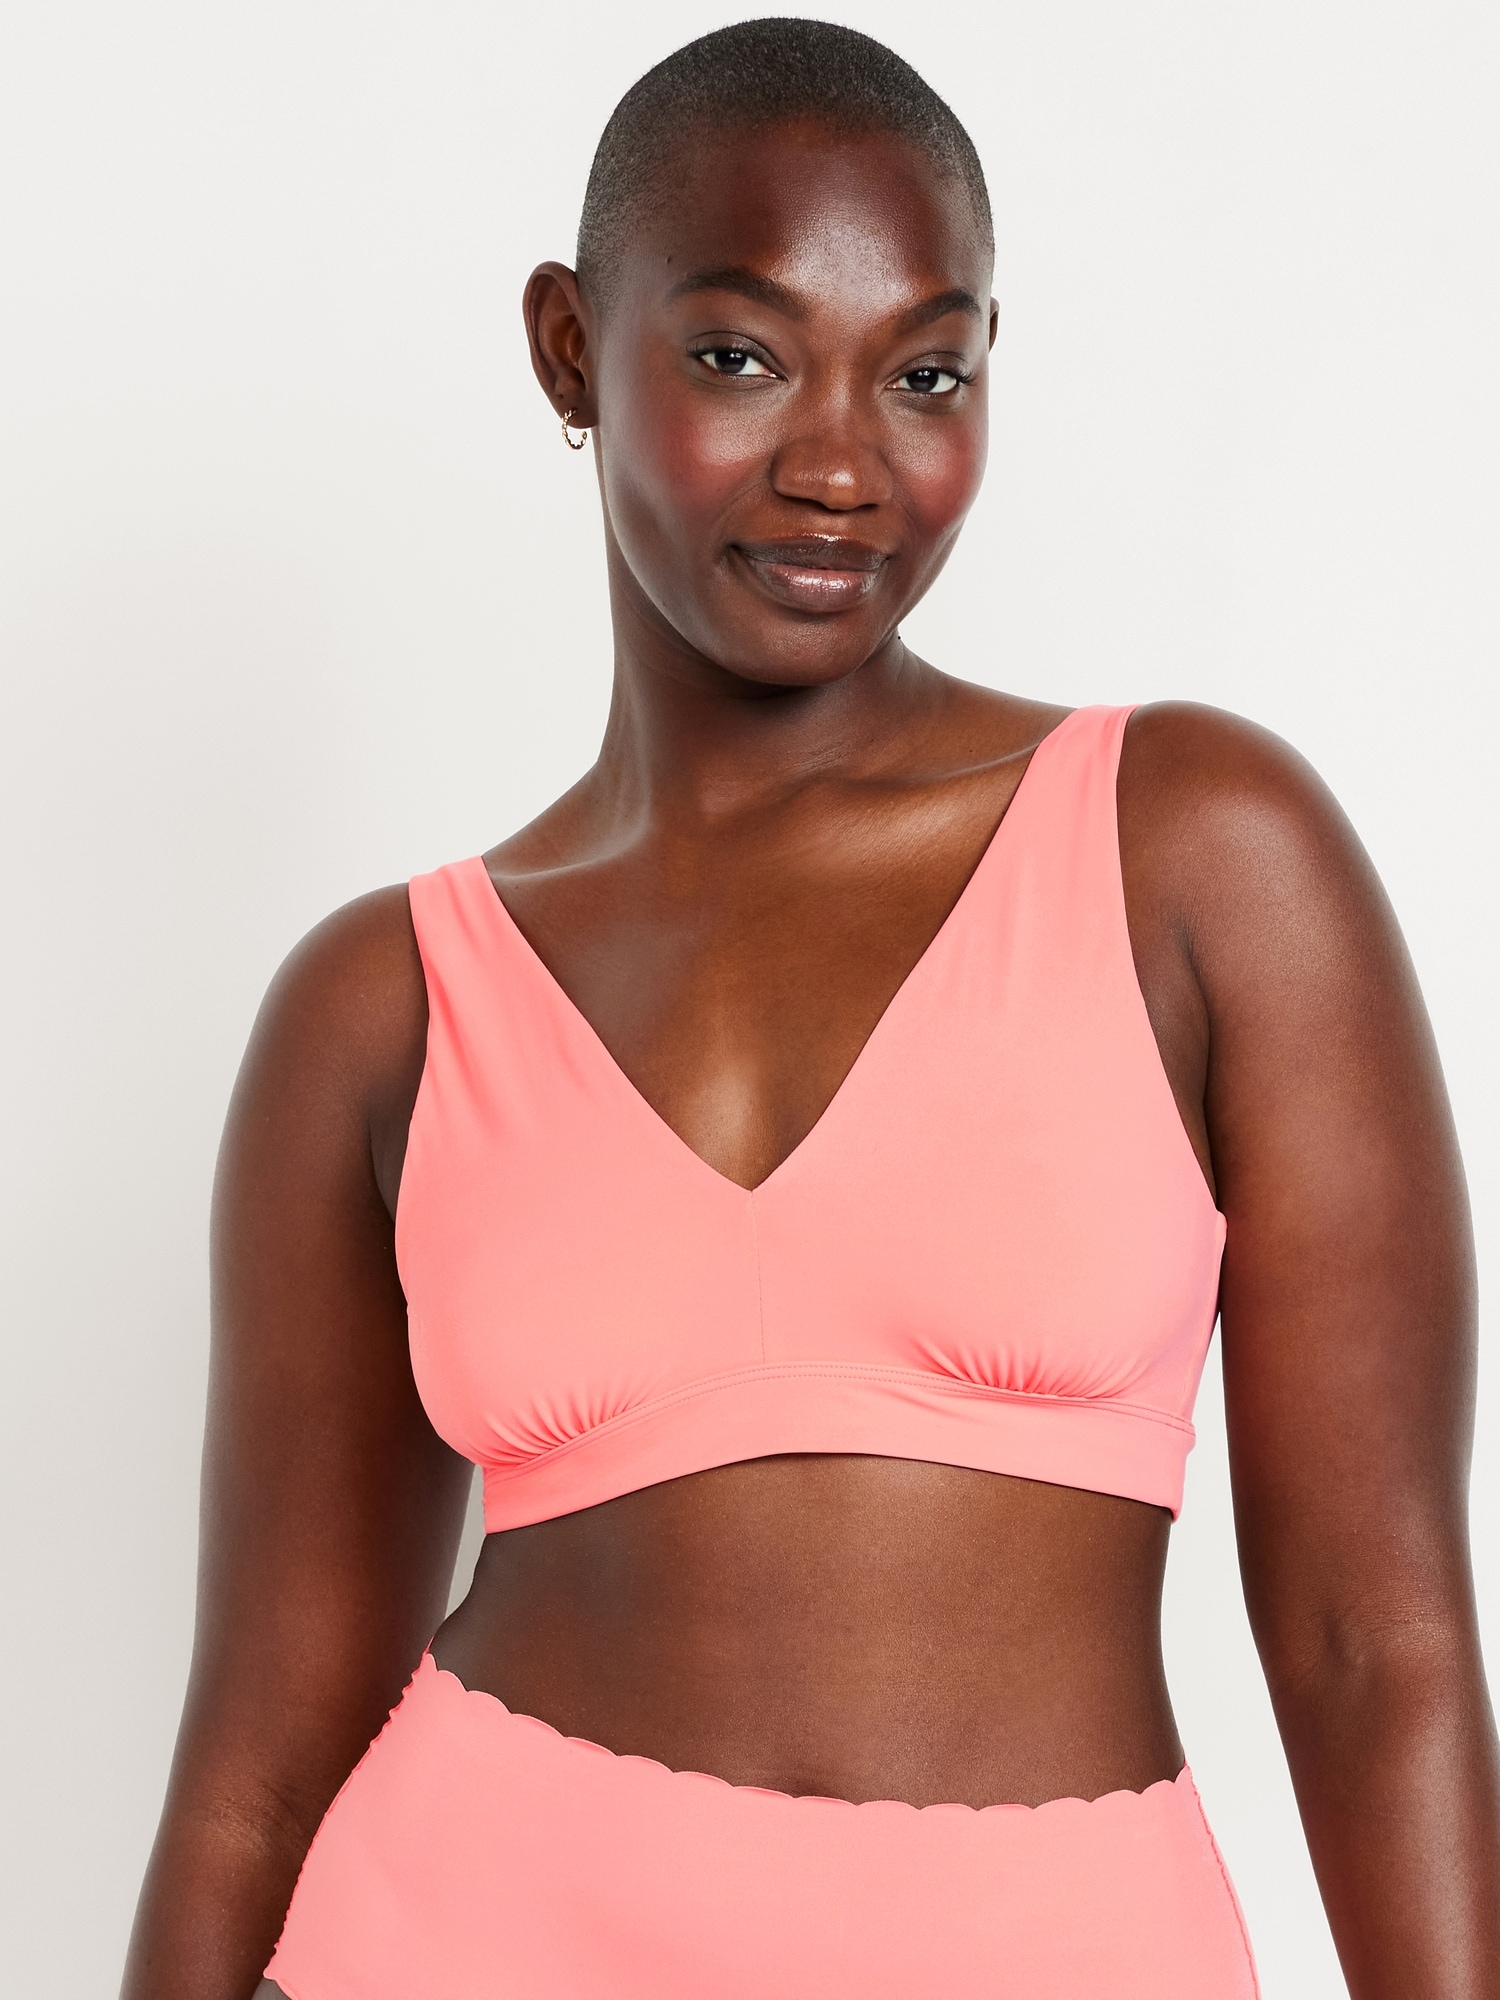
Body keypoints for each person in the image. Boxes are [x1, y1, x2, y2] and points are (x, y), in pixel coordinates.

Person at [123, 19, 1499, 1998]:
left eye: (925, 373)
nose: (844, 465)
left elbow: (1383, 1648)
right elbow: (259, 1767)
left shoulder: (1198, 851)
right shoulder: (385, 1005)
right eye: (741, 356)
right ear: (569, 350)